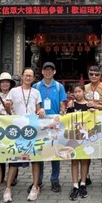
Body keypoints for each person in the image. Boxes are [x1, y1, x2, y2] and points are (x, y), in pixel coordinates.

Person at [3, 67, 46, 202]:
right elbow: (8, 110)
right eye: (26, 75)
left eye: (31, 76)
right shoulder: (14, 91)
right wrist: (8, 106)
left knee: (34, 158)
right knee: (14, 159)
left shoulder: (36, 92)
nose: (28, 78)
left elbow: (38, 109)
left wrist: (41, 111)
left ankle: (35, 186)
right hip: (18, 127)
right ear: (21, 76)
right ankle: (8, 188)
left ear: (34, 78)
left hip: (32, 127)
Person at [33, 62, 67, 193]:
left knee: (54, 152)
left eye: (50, 70)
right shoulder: (36, 86)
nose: (48, 72)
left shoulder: (58, 87)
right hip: (40, 123)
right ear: (42, 72)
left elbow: (62, 103)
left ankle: (54, 180)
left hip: (54, 123)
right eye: (45, 69)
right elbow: (35, 104)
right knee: (40, 151)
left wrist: (63, 110)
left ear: (54, 72)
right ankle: (39, 180)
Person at [84, 65, 102, 193]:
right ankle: (85, 177)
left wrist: (97, 106)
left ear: (100, 75)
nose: (94, 76)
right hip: (88, 123)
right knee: (87, 150)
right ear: (88, 75)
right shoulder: (85, 88)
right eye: (91, 74)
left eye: (96, 74)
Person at [66, 83, 91, 200]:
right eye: (75, 92)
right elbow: (66, 119)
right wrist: (67, 109)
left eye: (79, 91)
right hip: (73, 137)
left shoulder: (89, 105)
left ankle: (83, 183)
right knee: (74, 161)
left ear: (84, 92)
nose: (77, 94)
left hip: (86, 137)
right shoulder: (71, 105)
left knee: (84, 161)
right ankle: (75, 185)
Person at [0, 72, 17, 185]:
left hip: (12, 125)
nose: (5, 84)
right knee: (1, 150)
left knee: (12, 150)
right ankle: (0, 175)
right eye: (3, 82)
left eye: (7, 82)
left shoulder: (15, 95)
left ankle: (13, 177)